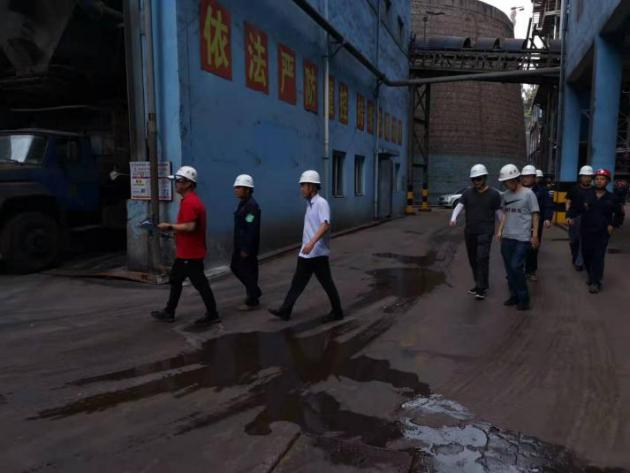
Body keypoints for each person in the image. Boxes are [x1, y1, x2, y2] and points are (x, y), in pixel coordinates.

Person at [269, 170, 343, 322]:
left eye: (304, 185)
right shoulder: (309, 204)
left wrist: (311, 243)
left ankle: (337, 312)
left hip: (317, 253)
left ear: (313, 186)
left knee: (326, 283)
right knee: (297, 283)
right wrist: (307, 245)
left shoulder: (321, 203)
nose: (301, 188)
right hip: (307, 253)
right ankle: (285, 310)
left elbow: (325, 225)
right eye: (301, 185)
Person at [151, 166, 220, 325]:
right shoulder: (189, 201)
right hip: (186, 252)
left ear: (188, 183)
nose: (175, 184)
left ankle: (212, 314)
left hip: (190, 253)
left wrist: (169, 226)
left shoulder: (190, 202)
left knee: (200, 284)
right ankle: (169, 311)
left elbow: (190, 227)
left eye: (178, 181)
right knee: (176, 280)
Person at [449, 164, 502, 300]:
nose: (476, 182)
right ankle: (480, 283)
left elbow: (498, 212)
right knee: (473, 260)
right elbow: (459, 206)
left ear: (485, 178)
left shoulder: (494, 194)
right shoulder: (467, 193)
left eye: (478, 179)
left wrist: (503, 228)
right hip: (470, 232)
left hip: (486, 232)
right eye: (473, 179)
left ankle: (481, 288)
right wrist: (453, 218)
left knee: (482, 258)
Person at [568, 169, 624, 294]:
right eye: (597, 179)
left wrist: (613, 225)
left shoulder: (612, 197)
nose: (599, 181)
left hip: (602, 232)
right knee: (587, 255)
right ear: (594, 180)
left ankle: (596, 282)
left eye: (602, 179)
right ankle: (591, 275)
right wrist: (570, 216)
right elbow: (575, 208)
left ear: (607, 181)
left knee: (598, 256)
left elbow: (620, 214)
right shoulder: (586, 195)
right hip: (586, 230)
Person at [496, 164, 540, 311]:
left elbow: (535, 214)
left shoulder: (529, 194)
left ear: (515, 179)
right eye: (504, 182)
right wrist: (500, 230)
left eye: (508, 181)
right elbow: (505, 214)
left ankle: (524, 299)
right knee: (509, 269)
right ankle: (514, 295)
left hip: (522, 238)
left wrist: (535, 235)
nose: (506, 184)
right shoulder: (506, 195)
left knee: (516, 266)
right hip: (507, 237)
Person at [231, 174, 262, 310]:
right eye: (236, 187)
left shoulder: (252, 207)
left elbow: (251, 227)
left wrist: (246, 248)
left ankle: (254, 294)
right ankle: (253, 295)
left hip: (246, 246)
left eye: (239, 187)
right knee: (246, 270)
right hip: (241, 243)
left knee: (242, 268)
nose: (236, 190)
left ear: (248, 190)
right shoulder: (243, 203)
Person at [521, 165, 554, 281]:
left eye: (528, 176)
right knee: (519, 246)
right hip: (520, 223)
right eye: (524, 176)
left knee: (533, 247)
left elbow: (548, 205)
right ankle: (518, 269)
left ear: (534, 177)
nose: (525, 179)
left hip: (535, 223)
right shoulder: (518, 189)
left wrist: (547, 218)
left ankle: (531, 270)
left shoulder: (542, 191)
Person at [566, 165, 594, 271]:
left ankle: (580, 262)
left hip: (589, 219)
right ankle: (575, 257)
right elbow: (568, 202)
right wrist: (568, 215)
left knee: (585, 241)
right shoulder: (574, 189)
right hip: (575, 218)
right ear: (580, 177)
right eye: (584, 176)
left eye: (589, 176)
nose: (586, 178)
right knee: (574, 241)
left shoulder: (594, 190)